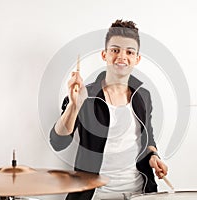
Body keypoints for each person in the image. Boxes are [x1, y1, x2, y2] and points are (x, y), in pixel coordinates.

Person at [50, 19, 168, 200]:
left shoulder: (143, 95)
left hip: (139, 193)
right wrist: (74, 105)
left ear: (137, 59)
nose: (121, 57)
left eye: (129, 52)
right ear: (104, 55)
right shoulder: (84, 94)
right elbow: (58, 142)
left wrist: (153, 155)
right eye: (115, 50)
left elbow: (147, 138)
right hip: (95, 194)